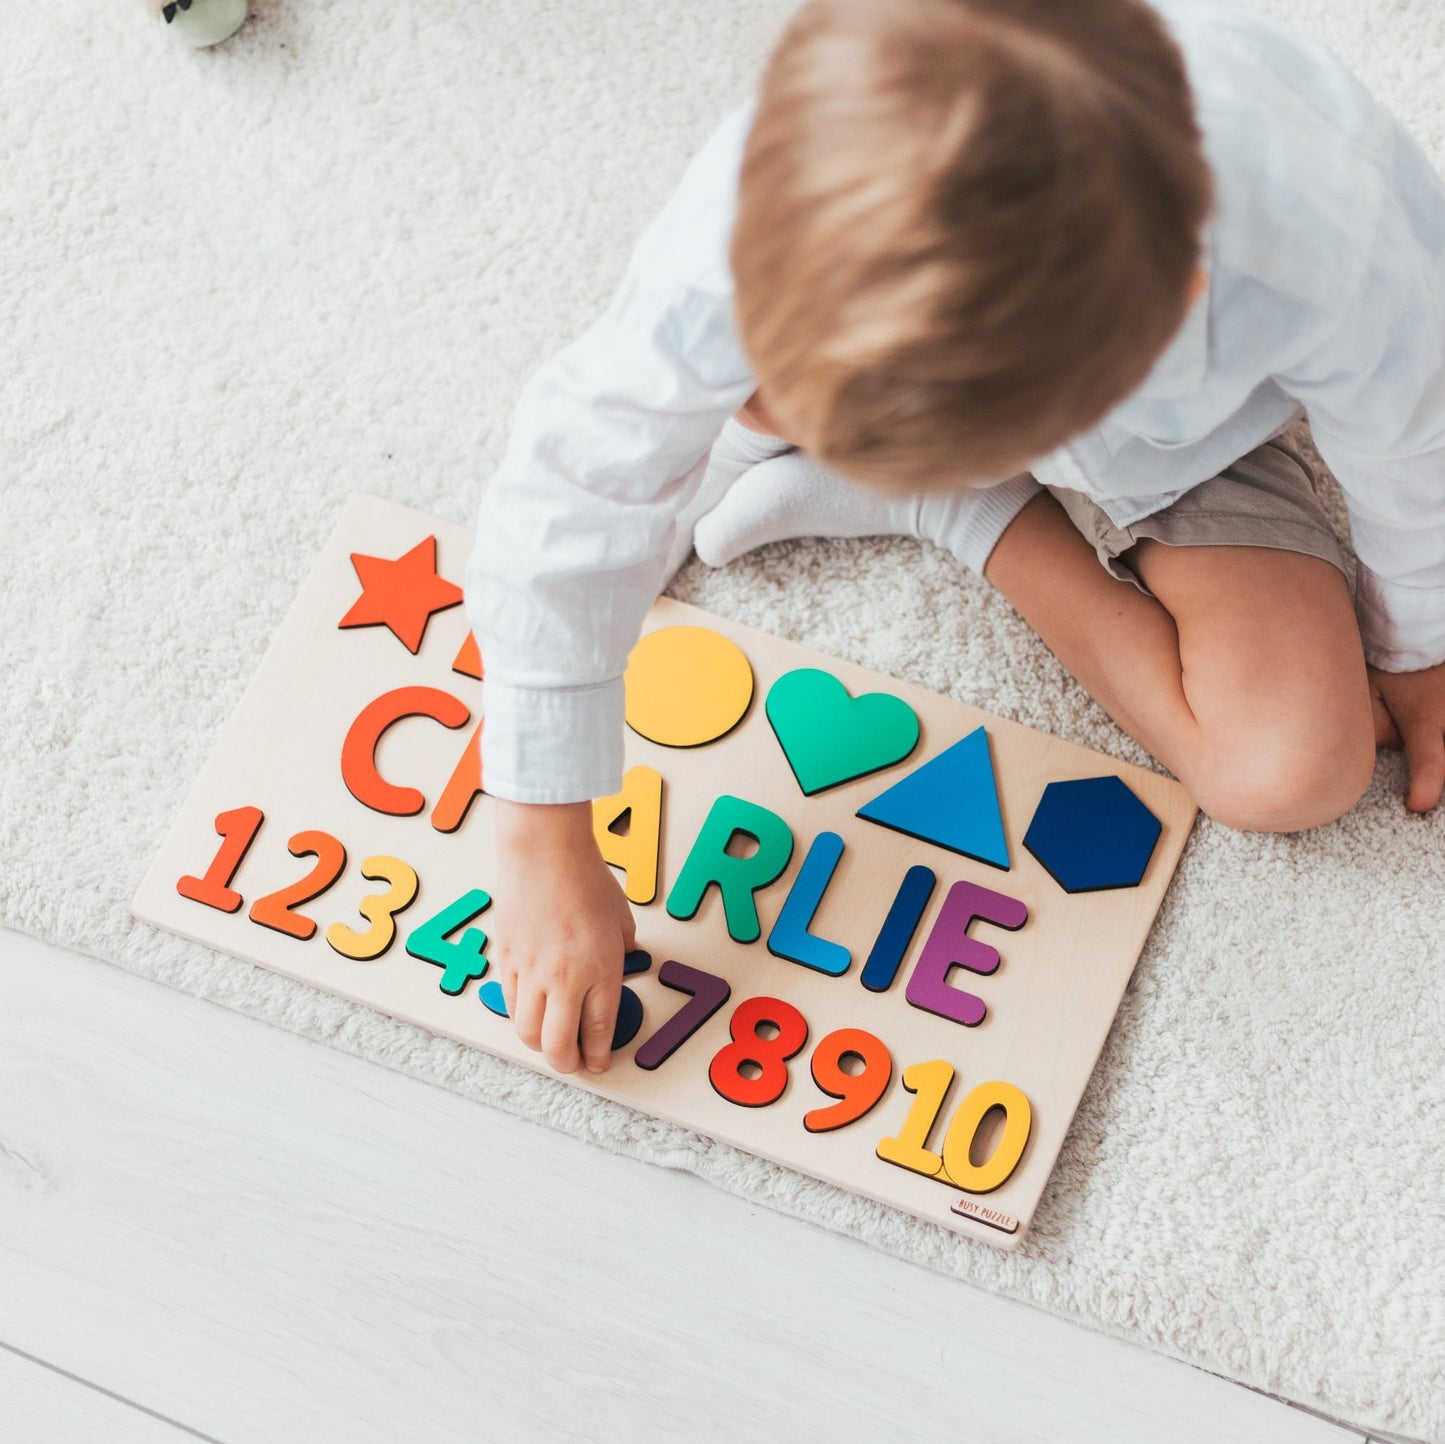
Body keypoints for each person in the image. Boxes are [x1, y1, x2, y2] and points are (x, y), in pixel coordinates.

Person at [467, 0, 1445, 1079]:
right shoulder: (768, 192)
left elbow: (1415, 447)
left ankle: (957, 514)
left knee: (1292, 772)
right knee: (624, 499)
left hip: (1182, 446)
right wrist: (539, 830)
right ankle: (824, 439)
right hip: (910, 352)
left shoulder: (1330, 231)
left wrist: (1417, 640)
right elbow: (573, 475)